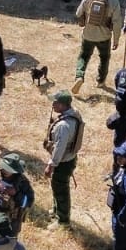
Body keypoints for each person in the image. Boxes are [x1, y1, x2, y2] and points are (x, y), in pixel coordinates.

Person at [72, 0, 122, 97]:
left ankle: (79, 76)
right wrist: (116, 40)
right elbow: (117, 23)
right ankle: (100, 81)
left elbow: (78, 13)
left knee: (83, 56)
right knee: (104, 58)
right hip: (104, 37)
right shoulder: (114, 2)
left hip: (88, 34)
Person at [42, 90, 85, 228]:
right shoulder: (73, 114)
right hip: (68, 159)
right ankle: (56, 210)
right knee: (57, 186)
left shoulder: (63, 126)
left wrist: (51, 165)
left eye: (55, 102)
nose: (53, 104)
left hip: (63, 162)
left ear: (63, 105)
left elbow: (59, 148)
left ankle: (63, 219)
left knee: (61, 190)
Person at [0, 152, 35, 236]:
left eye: (9, 169)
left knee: (9, 244)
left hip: (12, 222)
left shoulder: (22, 182)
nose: (6, 171)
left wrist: (16, 194)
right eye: (4, 168)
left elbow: (28, 201)